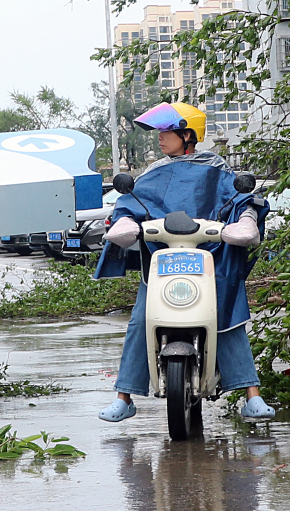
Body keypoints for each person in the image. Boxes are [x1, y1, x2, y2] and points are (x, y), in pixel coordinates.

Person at [95, 102, 276, 423]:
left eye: (167, 133)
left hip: (211, 260)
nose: (161, 139)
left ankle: (252, 396)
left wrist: (245, 220)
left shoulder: (218, 171)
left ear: (188, 134)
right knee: (140, 319)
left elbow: (242, 201)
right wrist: (125, 223)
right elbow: (130, 205)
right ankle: (124, 396)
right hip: (163, 260)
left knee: (229, 318)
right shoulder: (153, 173)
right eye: (161, 133)